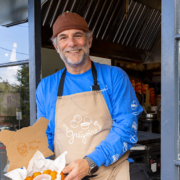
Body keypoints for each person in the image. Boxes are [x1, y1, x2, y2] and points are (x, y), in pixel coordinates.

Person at [36, 12, 145, 180]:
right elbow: (45, 134)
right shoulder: (46, 86)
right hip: (66, 176)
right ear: (57, 47)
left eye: (77, 36)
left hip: (112, 174)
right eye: (63, 38)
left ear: (89, 40)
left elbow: (126, 128)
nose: (71, 43)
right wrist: (33, 164)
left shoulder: (114, 76)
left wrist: (90, 163)